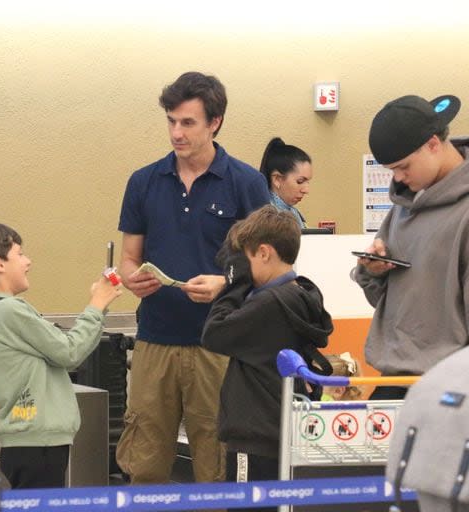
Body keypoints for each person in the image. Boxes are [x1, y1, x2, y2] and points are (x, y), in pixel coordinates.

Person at [115, 71, 271, 485]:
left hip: (219, 345)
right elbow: (129, 259)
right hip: (154, 342)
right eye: (171, 121)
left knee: (216, 461)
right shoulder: (144, 182)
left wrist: (225, 283)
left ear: (214, 122)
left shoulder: (246, 183)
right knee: (144, 460)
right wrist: (132, 278)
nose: (176, 133)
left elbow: (268, 267)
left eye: (188, 123)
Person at [0, 222, 122, 489]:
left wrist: (98, 307)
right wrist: (97, 304)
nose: (28, 261)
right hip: (37, 443)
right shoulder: (9, 310)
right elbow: (69, 351)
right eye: (20, 253)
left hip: (28, 441)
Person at [200, 205, 333, 512]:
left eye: (243, 259)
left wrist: (234, 280)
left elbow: (214, 333)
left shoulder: (271, 304)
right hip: (279, 432)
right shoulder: (299, 292)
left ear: (263, 253)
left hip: (255, 438)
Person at [354, 93, 469, 400]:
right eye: (391, 170)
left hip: (451, 388)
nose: (398, 177)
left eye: (403, 166)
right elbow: (385, 302)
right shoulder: (401, 209)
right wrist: (374, 272)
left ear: (433, 144)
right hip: (394, 378)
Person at [258, 137, 313, 227]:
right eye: (300, 181)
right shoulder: (268, 219)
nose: (306, 190)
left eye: (307, 182)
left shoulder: (292, 211)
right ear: (277, 179)